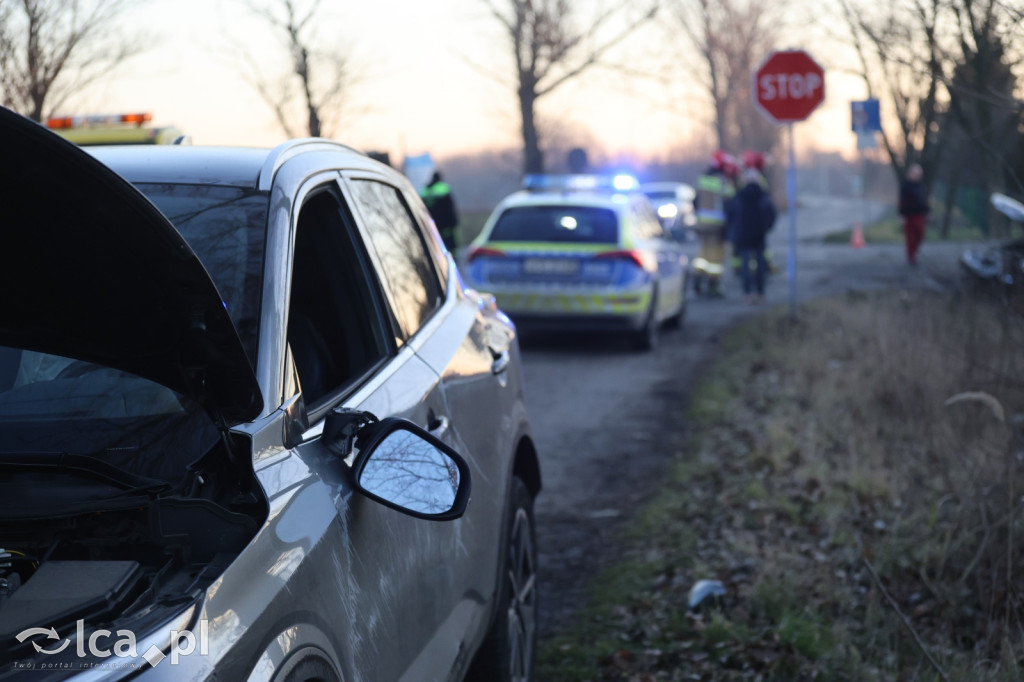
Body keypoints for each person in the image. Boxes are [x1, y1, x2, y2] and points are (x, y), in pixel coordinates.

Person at [693, 151, 737, 296]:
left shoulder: (703, 179)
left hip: (702, 223)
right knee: (716, 257)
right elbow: (731, 201)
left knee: (704, 253)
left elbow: (695, 201)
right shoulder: (723, 181)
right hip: (718, 225)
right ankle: (713, 285)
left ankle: (698, 275)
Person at [732, 168, 775, 303]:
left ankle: (747, 294)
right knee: (760, 264)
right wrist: (765, 228)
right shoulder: (763, 195)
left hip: (743, 235)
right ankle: (761, 293)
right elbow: (771, 214)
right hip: (759, 235)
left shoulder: (740, 195)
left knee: (745, 265)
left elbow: (733, 214)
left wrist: (736, 230)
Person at [420, 171, 459, 251]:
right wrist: (454, 222)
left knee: (434, 248)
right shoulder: (444, 188)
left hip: (429, 226)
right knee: (450, 248)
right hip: (445, 226)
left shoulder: (424, 191)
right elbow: (450, 207)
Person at [898, 163, 929, 266]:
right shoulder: (906, 185)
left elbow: (924, 199)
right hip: (909, 215)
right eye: (915, 173)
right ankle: (911, 257)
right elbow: (902, 201)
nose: (917, 176)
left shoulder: (921, 185)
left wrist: (927, 211)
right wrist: (902, 215)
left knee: (920, 235)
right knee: (910, 238)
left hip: (920, 215)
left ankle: (914, 253)